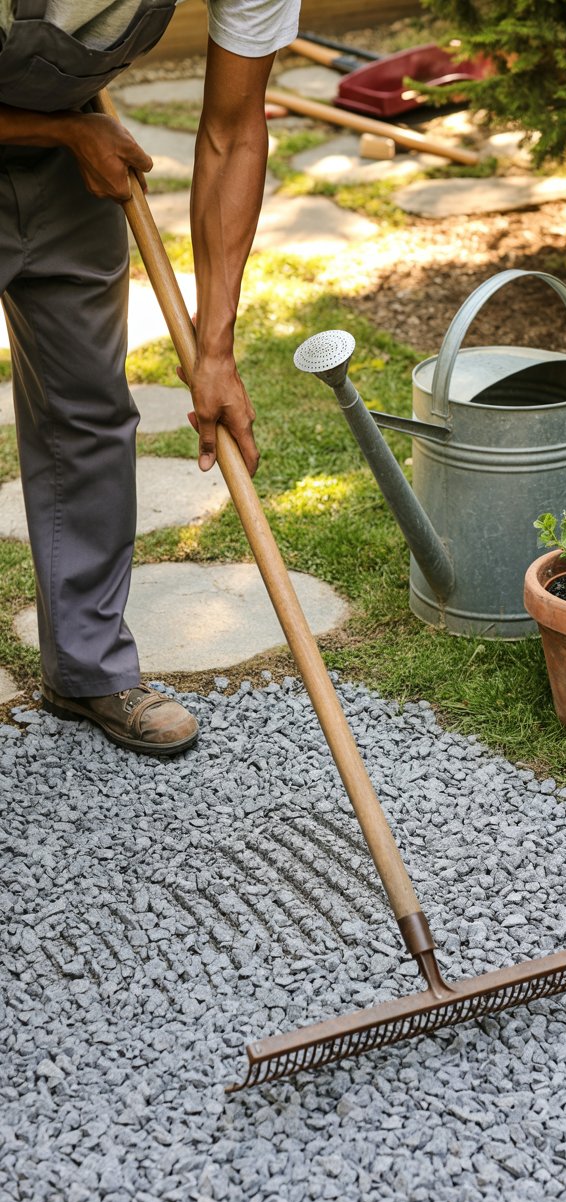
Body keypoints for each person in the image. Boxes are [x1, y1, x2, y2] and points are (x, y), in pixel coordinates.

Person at [0, 0, 299, 755]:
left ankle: (86, 668)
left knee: (88, 412)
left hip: (70, 157)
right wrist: (67, 129)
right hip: (69, 132)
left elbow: (233, 132)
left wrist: (216, 353)